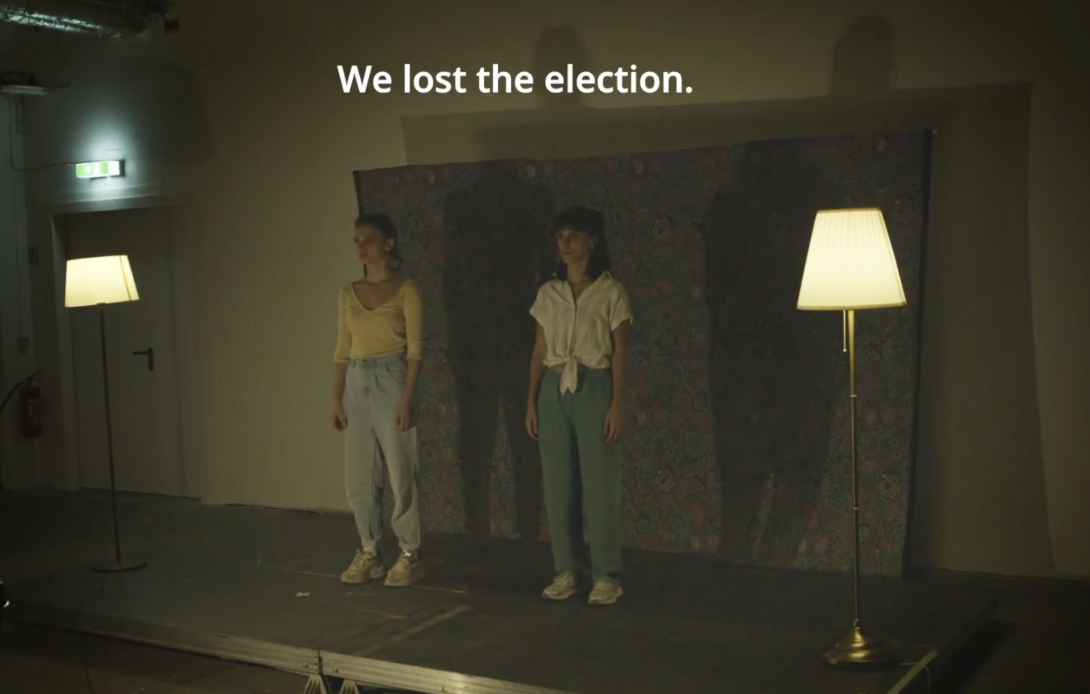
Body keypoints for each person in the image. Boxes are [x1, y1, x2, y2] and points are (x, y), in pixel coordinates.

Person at [525, 204, 632, 606]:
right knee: (559, 486)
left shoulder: (610, 291)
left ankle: (606, 575)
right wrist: (532, 402)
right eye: (560, 236)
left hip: (594, 384)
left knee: (600, 485)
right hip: (555, 387)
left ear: (593, 240)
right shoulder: (548, 293)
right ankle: (568, 569)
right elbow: (539, 351)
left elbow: (620, 352)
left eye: (573, 235)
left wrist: (617, 404)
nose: (565, 244)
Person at [332, 213, 425, 588]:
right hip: (356, 379)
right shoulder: (347, 292)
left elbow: (415, 352)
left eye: (368, 240)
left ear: (388, 243)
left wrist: (406, 400)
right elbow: (341, 349)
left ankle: (409, 553)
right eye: (356, 240)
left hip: (391, 377)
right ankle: (369, 550)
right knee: (359, 475)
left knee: (400, 472)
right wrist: (336, 398)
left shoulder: (407, 290)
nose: (361, 248)